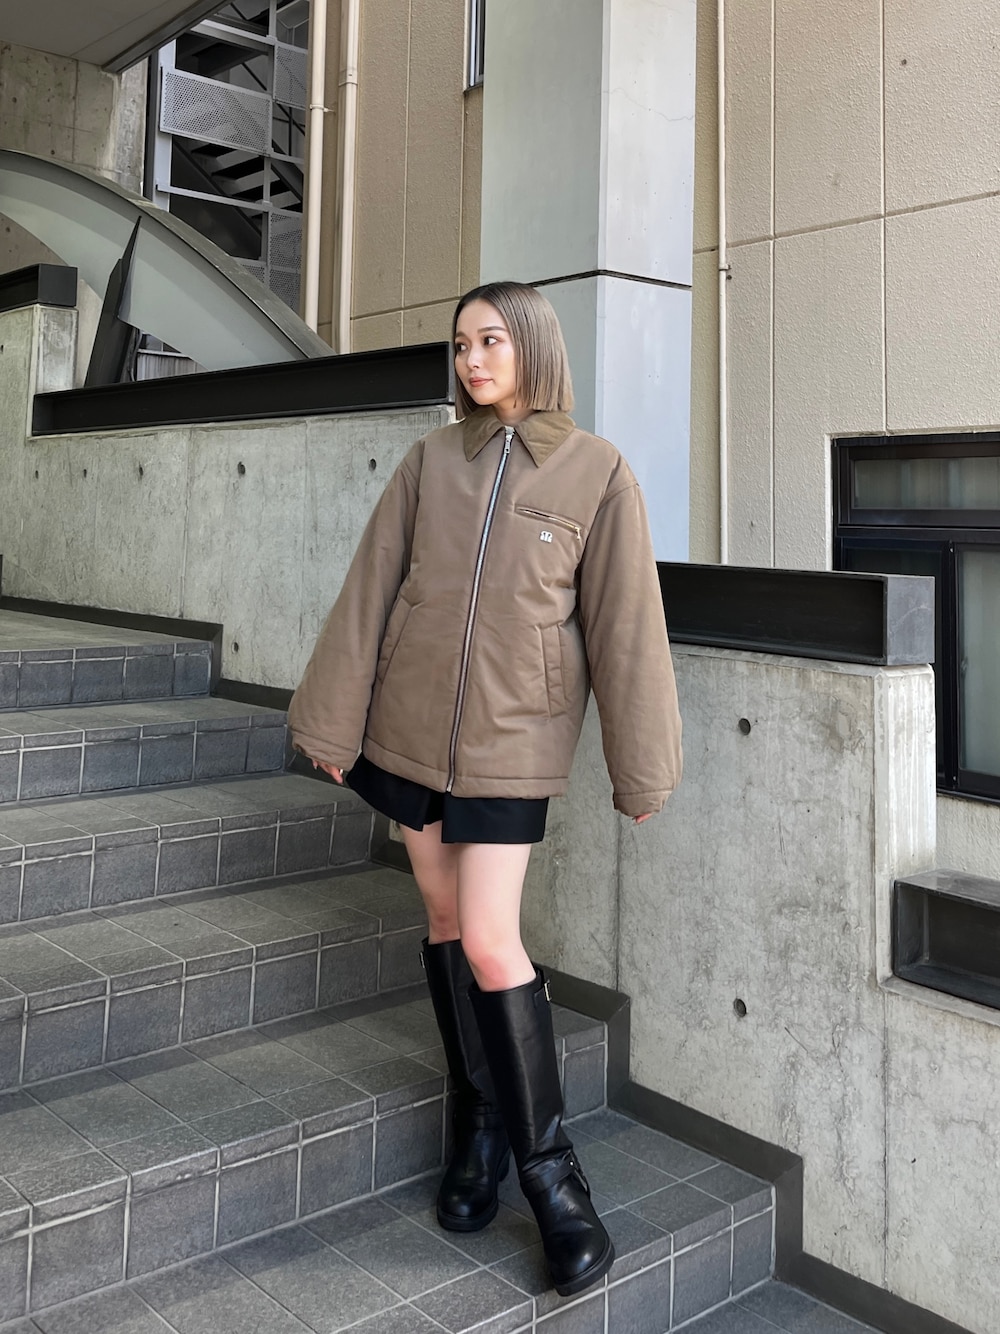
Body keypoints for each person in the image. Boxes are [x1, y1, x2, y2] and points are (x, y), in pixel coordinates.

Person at [288, 281, 683, 1297]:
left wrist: (642, 764)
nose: (471, 360)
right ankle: (475, 1122)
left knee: (492, 938)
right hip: (406, 731)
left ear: (532, 346)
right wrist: (330, 720)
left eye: (491, 340)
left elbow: (626, 629)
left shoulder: (596, 471)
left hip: (512, 745)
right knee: (440, 916)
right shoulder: (431, 461)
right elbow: (372, 586)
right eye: (461, 344)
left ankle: (552, 1177)